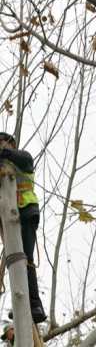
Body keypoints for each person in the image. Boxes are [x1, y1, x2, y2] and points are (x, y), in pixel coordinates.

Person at [0, 132, 46, 323]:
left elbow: (25, 161)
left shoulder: (22, 158)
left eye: (2, 144)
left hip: (26, 212)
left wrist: (4, 152)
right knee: (15, 262)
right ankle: (23, 303)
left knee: (25, 259)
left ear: (10, 144)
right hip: (11, 219)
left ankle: (35, 305)